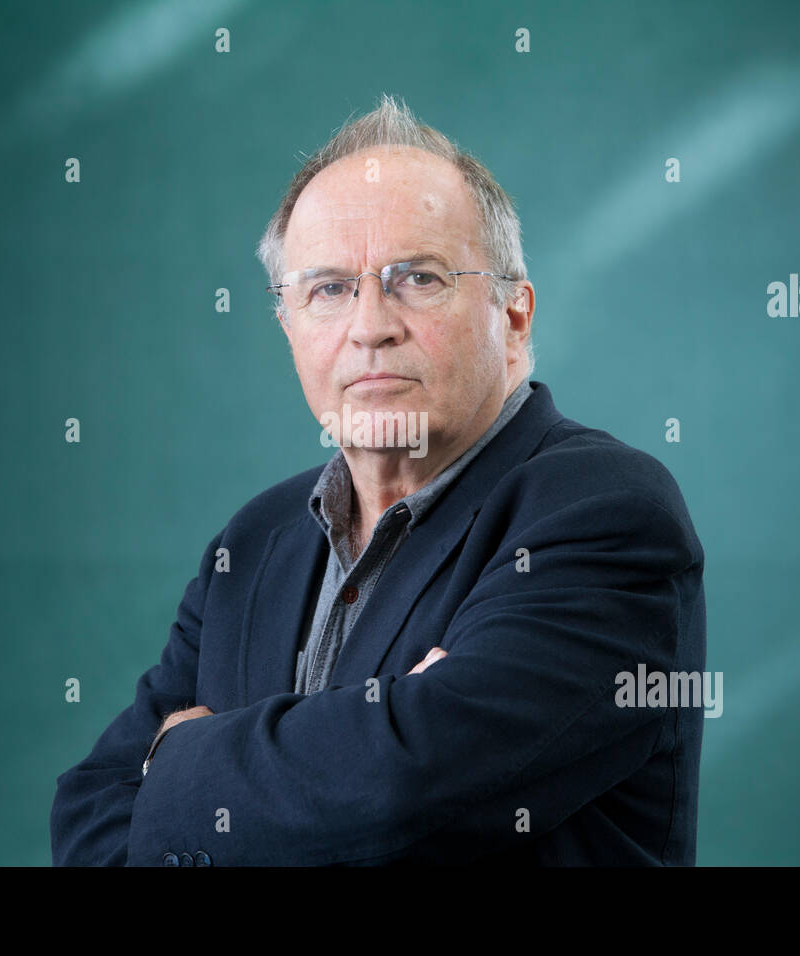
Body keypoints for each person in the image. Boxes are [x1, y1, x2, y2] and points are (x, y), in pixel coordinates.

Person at [50, 94, 706, 866]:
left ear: (515, 317)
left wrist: (174, 761)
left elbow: (405, 790)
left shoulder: (605, 510)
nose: (369, 325)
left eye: (417, 279)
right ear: (288, 325)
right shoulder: (254, 543)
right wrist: (375, 732)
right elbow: (91, 817)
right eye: (328, 289)